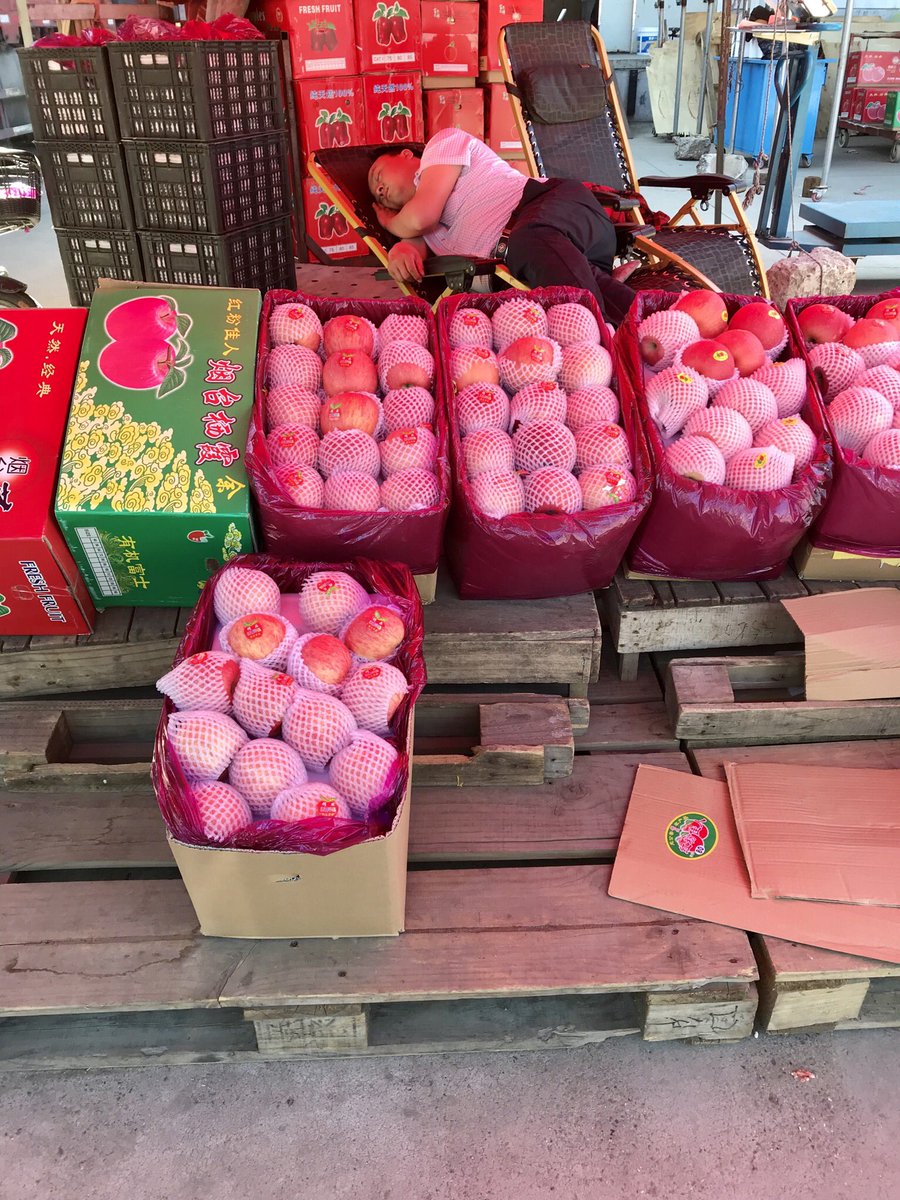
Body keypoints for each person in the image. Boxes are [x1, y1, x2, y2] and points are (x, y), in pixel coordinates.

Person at [368, 128, 637, 326]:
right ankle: (635, 316)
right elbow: (414, 238)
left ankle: (598, 335)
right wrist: (400, 251)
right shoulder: (419, 227)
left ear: (406, 155)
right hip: (549, 255)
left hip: (556, 207)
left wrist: (388, 221)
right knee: (532, 250)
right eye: (378, 196)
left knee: (529, 241)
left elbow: (420, 218)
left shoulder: (442, 144)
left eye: (378, 176)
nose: (379, 190)